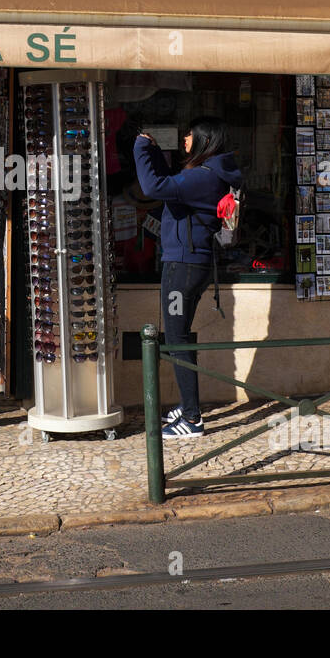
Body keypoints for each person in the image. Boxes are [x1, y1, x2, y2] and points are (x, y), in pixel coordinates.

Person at [133, 117, 243, 438]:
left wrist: (140, 146)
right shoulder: (205, 175)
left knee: (177, 337)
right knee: (178, 336)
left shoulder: (204, 178)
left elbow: (153, 187)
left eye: (189, 136)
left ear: (204, 140)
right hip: (188, 264)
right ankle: (187, 402)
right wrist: (154, 153)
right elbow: (168, 185)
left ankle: (192, 419)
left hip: (183, 266)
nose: (184, 140)